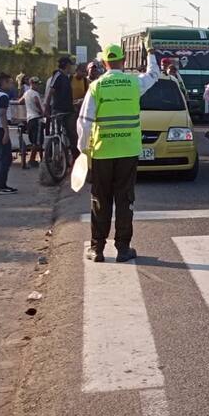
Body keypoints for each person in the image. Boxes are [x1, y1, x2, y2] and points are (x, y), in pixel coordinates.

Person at [77, 43, 160, 263]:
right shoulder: (134, 83)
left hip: (102, 152)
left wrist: (83, 150)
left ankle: (97, 249)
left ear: (104, 63)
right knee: (124, 200)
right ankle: (123, 249)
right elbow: (154, 74)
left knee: (100, 200)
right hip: (128, 152)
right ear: (123, 61)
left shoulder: (96, 86)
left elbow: (84, 122)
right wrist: (151, 53)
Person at [44, 56, 80, 159]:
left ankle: (74, 157)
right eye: (71, 65)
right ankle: (52, 156)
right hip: (58, 110)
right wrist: (46, 108)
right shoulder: (58, 75)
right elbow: (50, 92)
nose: (72, 67)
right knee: (56, 133)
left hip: (68, 110)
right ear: (67, 65)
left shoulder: (66, 77)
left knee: (72, 134)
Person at [16, 76, 45, 167]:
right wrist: (41, 111)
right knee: (37, 141)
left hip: (30, 119)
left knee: (34, 140)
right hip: (37, 118)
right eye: (36, 84)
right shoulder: (35, 93)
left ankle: (35, 159)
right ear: (32, 84)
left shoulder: (26, 93)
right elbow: (36, 101)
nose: (37, 86)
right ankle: (32, 160)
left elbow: (20, 102)